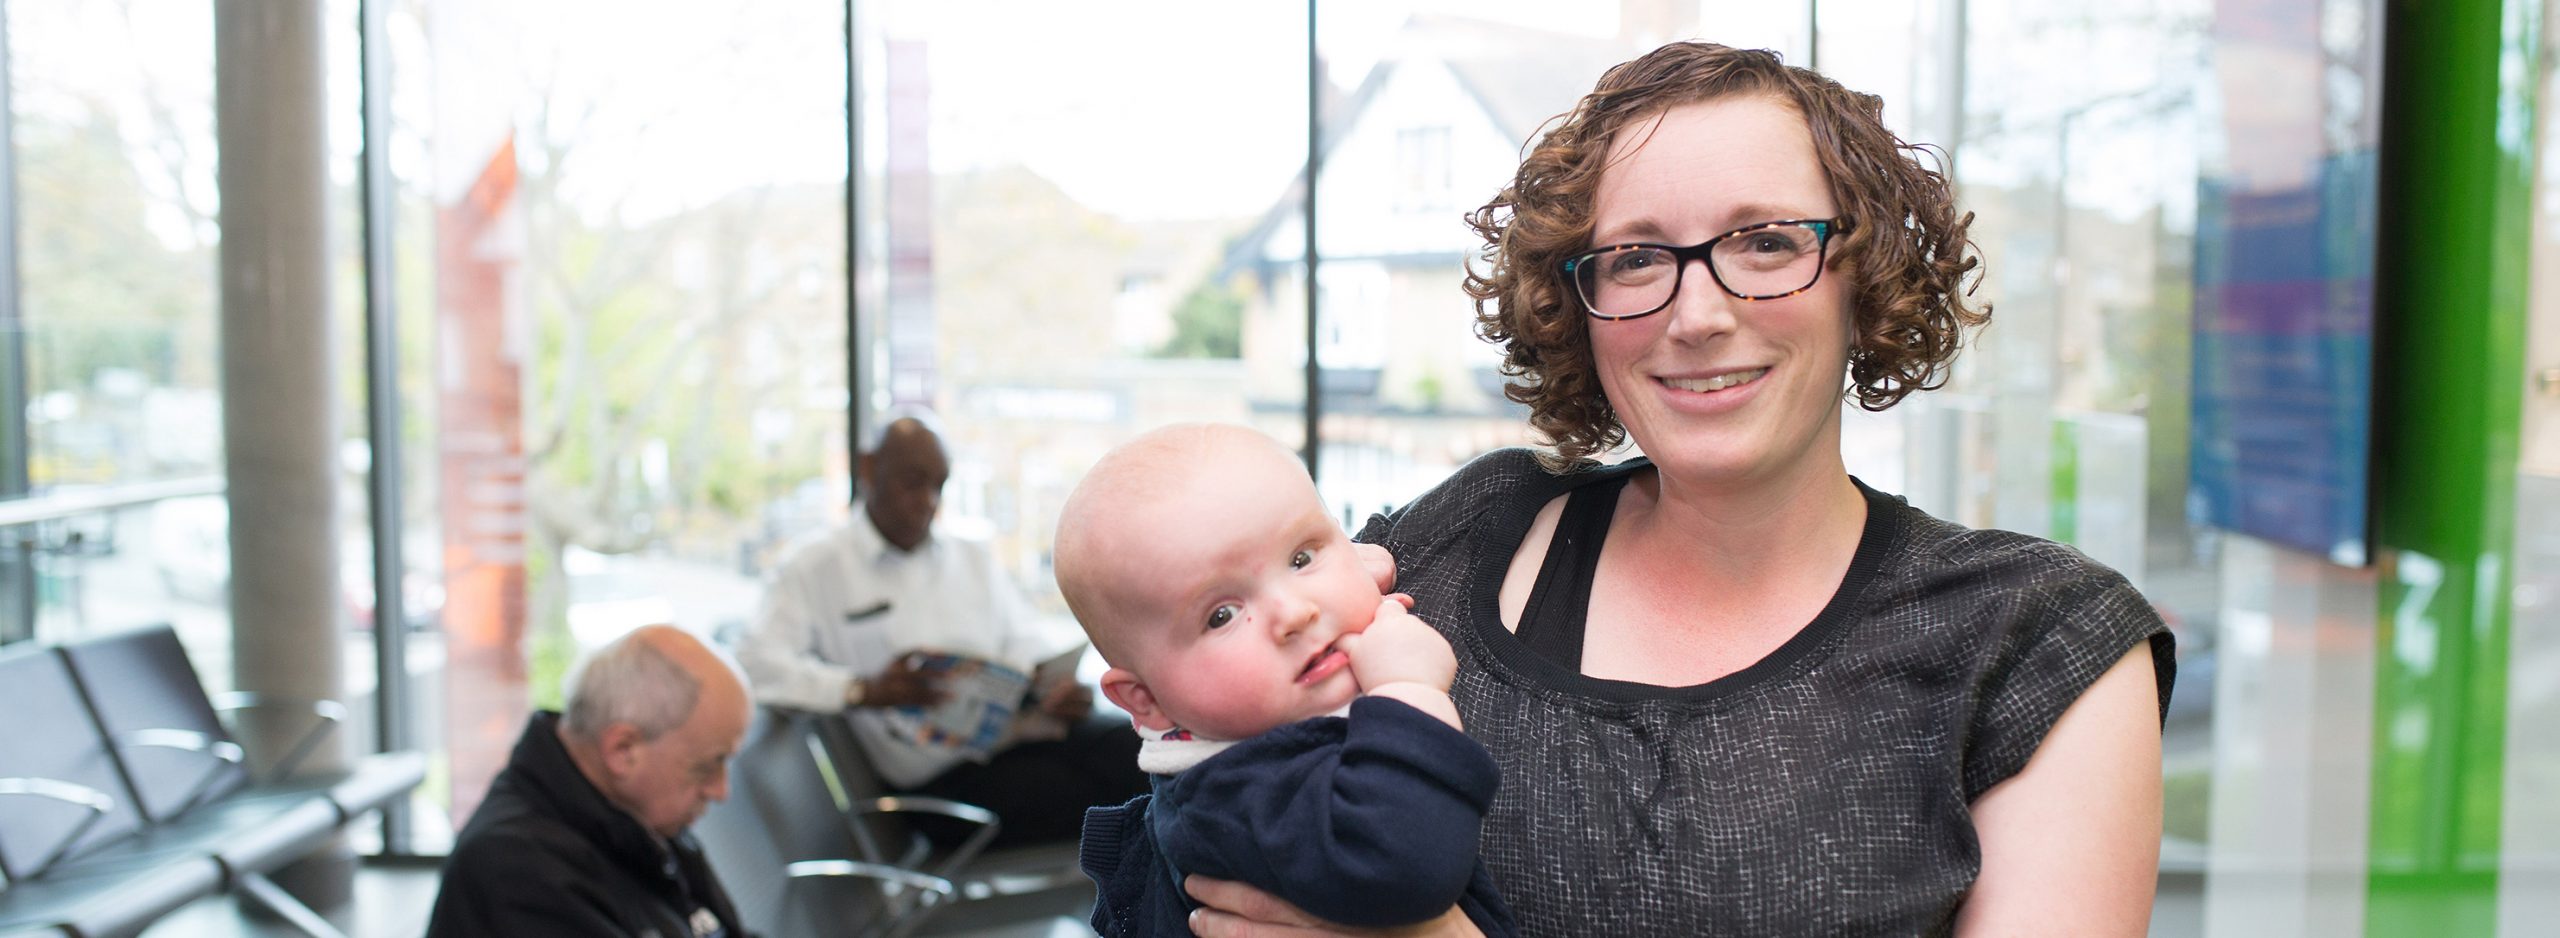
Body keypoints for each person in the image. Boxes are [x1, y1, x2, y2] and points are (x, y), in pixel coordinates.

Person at [1186, 42, 2176, 937]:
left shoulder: (2034, 643)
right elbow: (1193, 832)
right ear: (1576, 301)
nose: (1697, 313)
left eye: (1767, 241)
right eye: (1635, 257)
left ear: (1862, 275)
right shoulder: (1454, 543)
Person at [1054, 424, 1517, 938]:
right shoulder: (1233, 797)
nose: (1295, 613)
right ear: (1146, 701)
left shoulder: (1251, 732)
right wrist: (1410, 690)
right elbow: (1412, 867)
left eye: (1301, 558)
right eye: (1222, 615)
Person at [738, 410, 1146, 847]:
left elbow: (1025, 641)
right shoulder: (815, 569)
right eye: (913, 482)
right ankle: (1159, 903)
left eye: (939, 485)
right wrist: (862, 689)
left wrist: (1058, 688)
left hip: (1019, 738)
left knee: (1142, 751)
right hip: (939, 784)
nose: (928, 500)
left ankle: (1178, 897)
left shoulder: (970, 559)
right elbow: (756, 666)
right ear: (869, 470)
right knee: (1112, 803)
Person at [426, 625, 753, 938]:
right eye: (707, 766)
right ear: (623, 750)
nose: (720, 790)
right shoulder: (521, 872)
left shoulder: (640, 818)